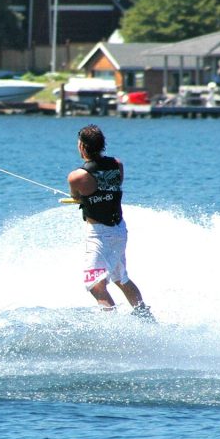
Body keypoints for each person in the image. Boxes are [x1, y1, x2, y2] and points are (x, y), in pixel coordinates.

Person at [67, 124, 153, 319]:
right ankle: (145, 317)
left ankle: (113, 329)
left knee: (95, 285)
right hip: (119, 230)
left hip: (98, 234)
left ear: (82, 147)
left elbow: (77, 196)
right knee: (121, 278)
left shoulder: (76, 176)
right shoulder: (117, 165)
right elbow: (112, 185)